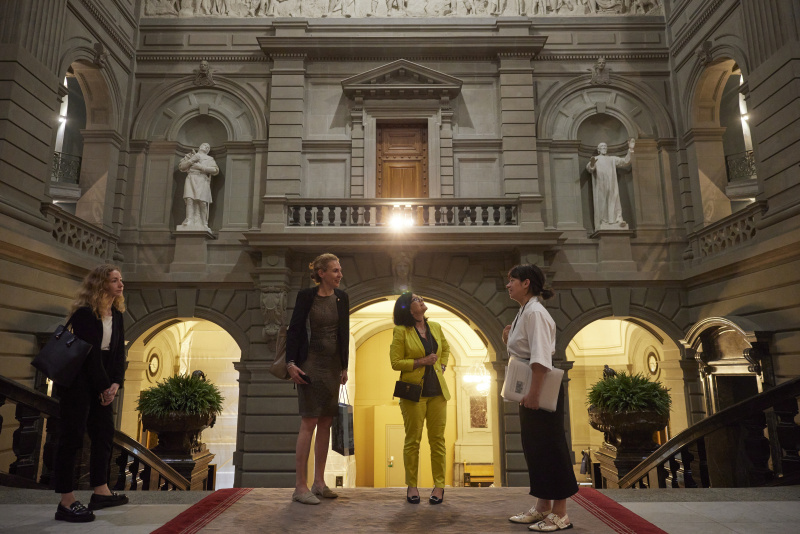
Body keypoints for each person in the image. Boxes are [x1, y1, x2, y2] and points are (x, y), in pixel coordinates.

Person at [52, 264, 129, 523]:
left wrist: (116, 383)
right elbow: (90, 354)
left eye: (120, 280)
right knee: (71, 437)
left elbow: (118, 353)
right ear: (100, 284)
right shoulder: (84, 314)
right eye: (114, 280)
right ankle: (66, 501)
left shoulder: (116, 314)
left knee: (104, 434)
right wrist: (104, 387)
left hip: (103, 380)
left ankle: (101, 490)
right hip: (79, 381)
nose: (120, 284)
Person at [504, 264, 578, 532]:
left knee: (550, 447)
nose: (508, 285)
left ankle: (560, 513)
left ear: (526, 283)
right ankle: (543, 505)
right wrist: (509, 338)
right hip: (531, 386)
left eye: (512, 280)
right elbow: (526, 350)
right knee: (535, 448)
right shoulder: (525, 310)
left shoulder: (535, 312)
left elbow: (540, 358)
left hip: (541, 386)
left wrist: (534, 393)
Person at [286, 253, 350, 505]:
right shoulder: (306, 296)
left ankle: (319, 483)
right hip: (310, 364)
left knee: (326, 422)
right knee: (309, 421)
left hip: (332, 366)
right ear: (321, 273)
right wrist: (291, 363)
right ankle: (300, 486)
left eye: (340, 270)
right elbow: (294, 330)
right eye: (335, 270)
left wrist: (344, 366)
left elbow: (343, 332)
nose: (339, 274)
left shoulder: (342, 297)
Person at [390, 291, 450, 505]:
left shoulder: (435, 327)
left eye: (421, 298)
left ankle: (439, 486)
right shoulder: (401, 331)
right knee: (413, 441)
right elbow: (396, 362)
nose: (421, 300)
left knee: (438, 440)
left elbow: (445, 348)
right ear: (408, 308)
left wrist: (442, 365)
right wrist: (421, 361)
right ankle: (412, 485)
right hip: (413, 393)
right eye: (416, 299)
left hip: (437, 393)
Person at [586, 138, 634, 231]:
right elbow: (590, 169)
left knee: (615, 200)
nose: (604, 148)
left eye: (605, 147)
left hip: (612, 183)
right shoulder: (596, 159)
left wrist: (630, 150)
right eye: (602, 147)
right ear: (598, 149)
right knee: (602, 202)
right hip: (601, 184)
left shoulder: (612, 159)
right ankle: (603, 221)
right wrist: (592, 164)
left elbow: (625, 161)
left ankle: (618, 219)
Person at [178, 142, 219, 231]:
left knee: (203, 202)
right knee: (189, 199)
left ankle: (204, 222)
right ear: (200, 146)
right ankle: (189, 220)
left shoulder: (209, 159)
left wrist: (201, 167)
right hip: (191, 177)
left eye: (208, 147)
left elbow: (215, 170)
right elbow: (182, 167)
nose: (206, 147)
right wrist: (191, 160)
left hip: (202, 179)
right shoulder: (190, 156)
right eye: (204, 145)